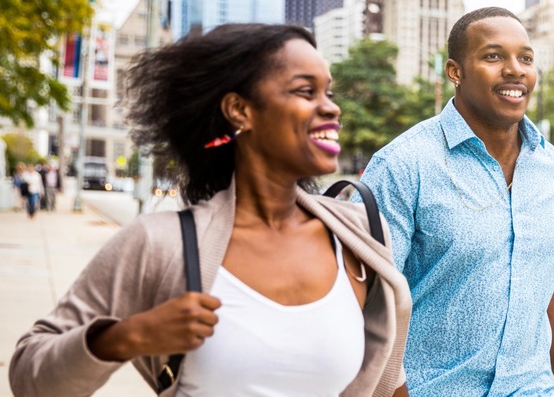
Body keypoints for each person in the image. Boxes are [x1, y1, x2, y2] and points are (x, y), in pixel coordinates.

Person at [10, 24, 411, 397]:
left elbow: (390, 381)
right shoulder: (160, 243)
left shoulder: (358, 236)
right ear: (240, 110)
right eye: (306, 92)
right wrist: (126, 337)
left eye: (329, 93)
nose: (331, 109)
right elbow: (31, 376)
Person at [358, 7, 554, 396]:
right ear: (455, 71)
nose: (515, 70)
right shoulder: (402, 166)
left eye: (526, 58)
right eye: (493, 56)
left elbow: (537, 281)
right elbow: (367, 305)